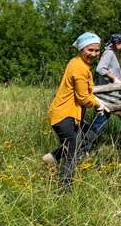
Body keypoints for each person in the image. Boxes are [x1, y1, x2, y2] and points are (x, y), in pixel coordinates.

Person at [42, 32, 110, 191]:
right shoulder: (79, 68)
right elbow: (83, 98)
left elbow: (85, 93)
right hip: (64, 116)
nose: (93, 54)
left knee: (79, 141)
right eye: (90, 50)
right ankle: (65, 189)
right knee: (71, 153)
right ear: (81, 49)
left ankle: (51, 158)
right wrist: (97, 104)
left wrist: (97, 100)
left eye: (96, 51)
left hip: (68, 115)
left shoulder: (78, 63)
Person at [85, 34, 121, 151]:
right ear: (116, 43)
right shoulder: (109, 53)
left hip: (115, 95)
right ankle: (84, 147)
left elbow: (114, 74)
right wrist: (113, 79)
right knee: (100, 122)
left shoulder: (114, 54)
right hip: (108, 96)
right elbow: (100, 69)